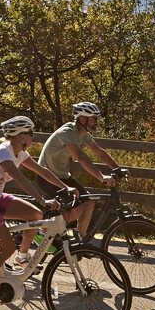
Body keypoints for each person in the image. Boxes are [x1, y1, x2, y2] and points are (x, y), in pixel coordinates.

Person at [0, 115, 70, 310]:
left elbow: (42, 172)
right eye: (31, 134)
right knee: (6, 248)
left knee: (36, 216)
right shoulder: (4, 153)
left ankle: (22, 258)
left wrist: (66, 188)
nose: (33, 138)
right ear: (21, 135)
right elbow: (21, 179)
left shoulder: (19, 152)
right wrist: (43, 199)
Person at [34, 101, 127, 242]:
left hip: (62, 176)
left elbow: (99, 152)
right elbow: (81, 157)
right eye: (92, 119)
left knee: (88, 202)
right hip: (47, 177)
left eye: (96, 119)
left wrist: (117, 169)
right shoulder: (68, 132)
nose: (96, 122)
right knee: (77, 209)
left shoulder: (84, 134)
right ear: (82, 119)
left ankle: (81, 240)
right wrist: (101, 177)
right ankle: (43, 232)